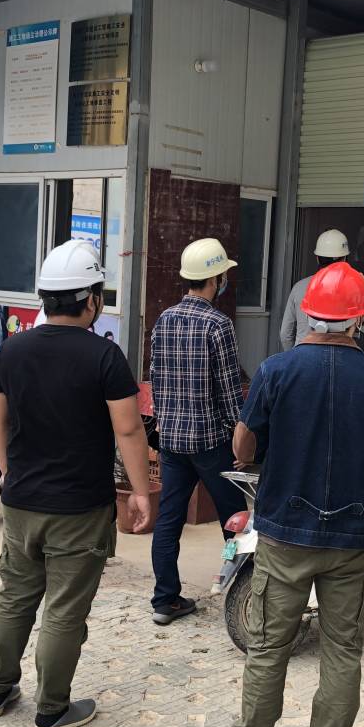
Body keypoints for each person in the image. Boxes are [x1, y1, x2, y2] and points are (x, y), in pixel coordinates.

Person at [220, 261, 364, 727]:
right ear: (361, 318)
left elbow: (242, 447)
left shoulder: (275, 371)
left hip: (285, 533)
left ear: (307, 314)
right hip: (353, 537)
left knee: (268, 647)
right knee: (342, 649)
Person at [0, 241, 153, 727]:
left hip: (21, 503)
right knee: (64, 609)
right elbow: (128, 430)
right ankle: (52, 710)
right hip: (79, 507)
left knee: (14, 596)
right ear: (92, 299)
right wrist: (140, 492)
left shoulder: (12, 349)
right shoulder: (105, 356)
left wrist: (9, 471)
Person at [148, 237, 249, 625]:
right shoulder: (218, 324)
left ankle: (165, 600)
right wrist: (241, 438)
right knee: (236, 521)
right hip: (211, 442)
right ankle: (243, 590)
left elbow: (156, 379)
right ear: (216, 279)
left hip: (172, 442)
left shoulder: (164, 319)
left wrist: (165, 421)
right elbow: (229, 390)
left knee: (168, 520)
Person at [279, 229, 351, 349]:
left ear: (317, 258)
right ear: (344, 259)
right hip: (341, 357)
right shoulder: (354, 290)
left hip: (302, 354)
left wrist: (293, 356)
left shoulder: (299, 287)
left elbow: (285, 334)